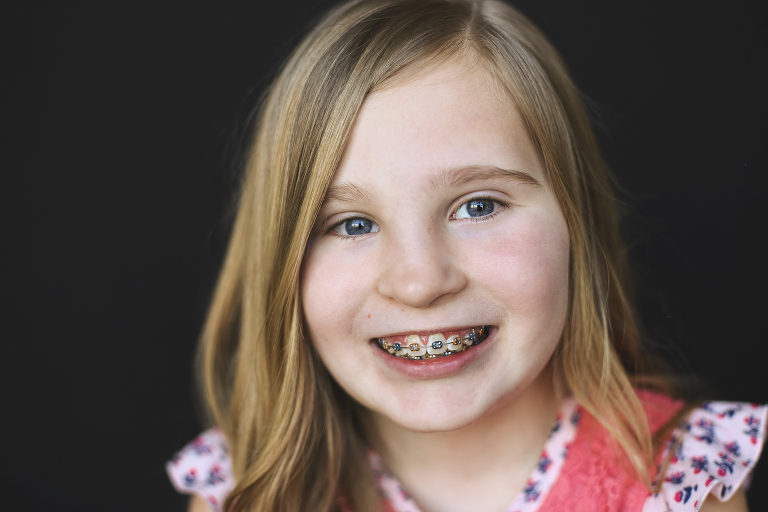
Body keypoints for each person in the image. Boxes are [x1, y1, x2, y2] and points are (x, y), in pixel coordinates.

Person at [166, 0, 766, 510]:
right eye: (351, 223)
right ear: (285, 267)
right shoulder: (246, 493)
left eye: (477, 207)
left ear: (574, 224)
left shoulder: (679, 484)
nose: (420, 280)